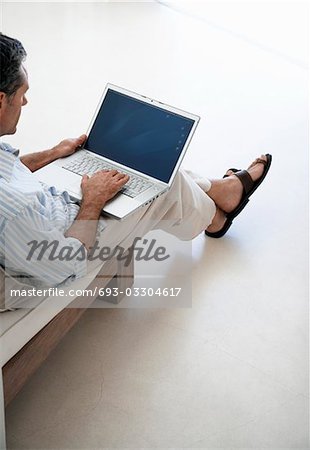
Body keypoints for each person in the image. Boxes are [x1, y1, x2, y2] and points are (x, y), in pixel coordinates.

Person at [0, 33, 272, 288]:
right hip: (73, 238)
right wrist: (93, 200)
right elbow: (66, 263)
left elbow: (8, 166)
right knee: (163, 184)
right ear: (1, 101)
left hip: (49, 202)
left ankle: (222, 192)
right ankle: (216, 217)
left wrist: (53, 153)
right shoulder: (12, 213)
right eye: (22, 93)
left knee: (145, 169)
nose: (25, 102)